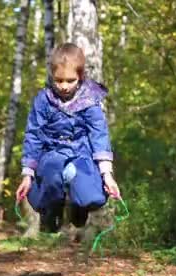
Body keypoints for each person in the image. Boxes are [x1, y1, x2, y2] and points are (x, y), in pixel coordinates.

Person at [15, 43, 120, 233]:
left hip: (81, 156)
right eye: (59, 80)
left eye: (70, 80)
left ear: (80, 76)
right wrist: (27, 174)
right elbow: (34, 135)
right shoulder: (43, 100)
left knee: (91, 195)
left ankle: (79, 207)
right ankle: (51, 213)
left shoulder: (89, 101)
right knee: (51, 176)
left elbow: (99, 135)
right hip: (52, 154)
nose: (64, 86)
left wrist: (107, 174)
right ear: (52, 76)